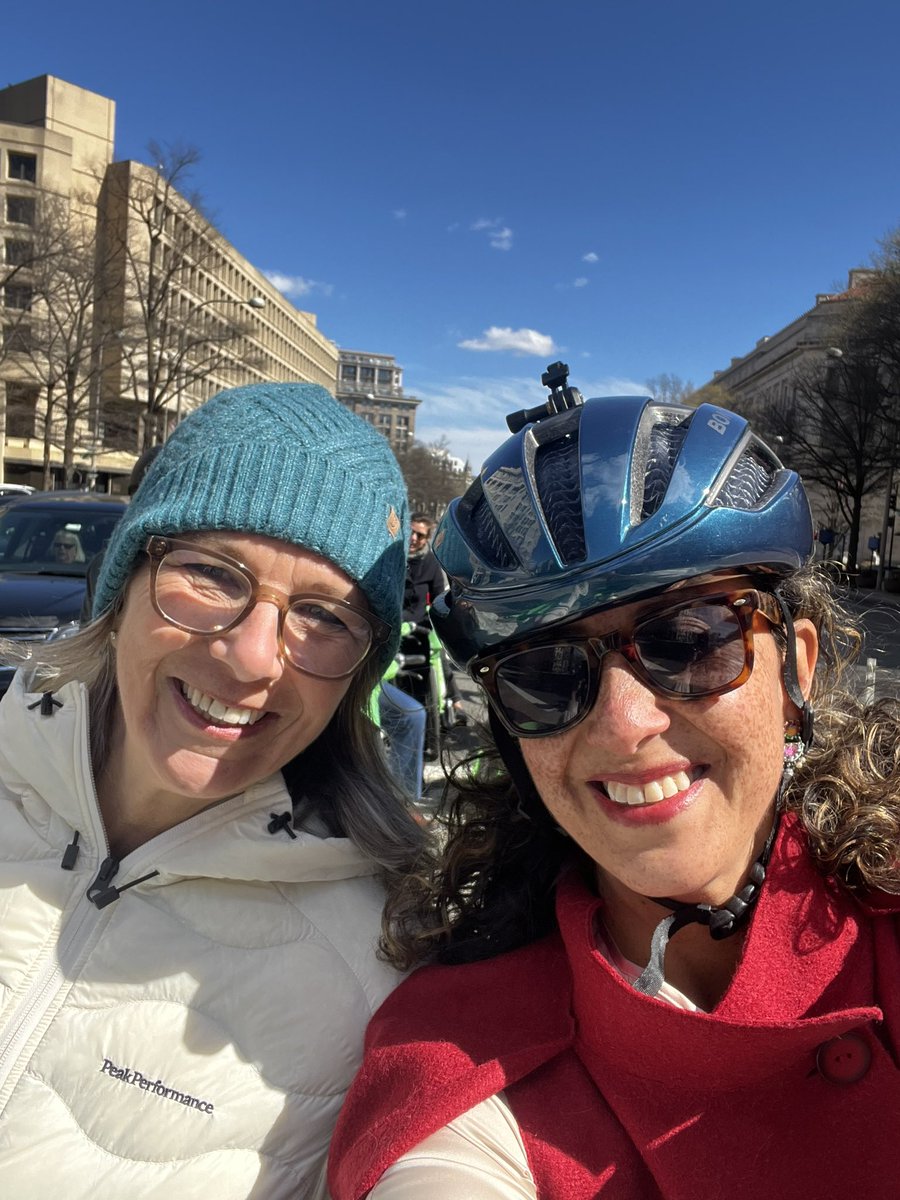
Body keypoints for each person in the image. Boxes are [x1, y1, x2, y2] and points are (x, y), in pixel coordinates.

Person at [329, 365, 900, 1200]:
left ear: (796, 672)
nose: (624, 723)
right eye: (544, 675)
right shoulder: (456, 1049)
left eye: (692, 640)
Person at [0, 382, 426, 1198]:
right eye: (211, 574)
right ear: (123, 583)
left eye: (325, 617)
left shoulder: (390, 976)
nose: (253, 657)